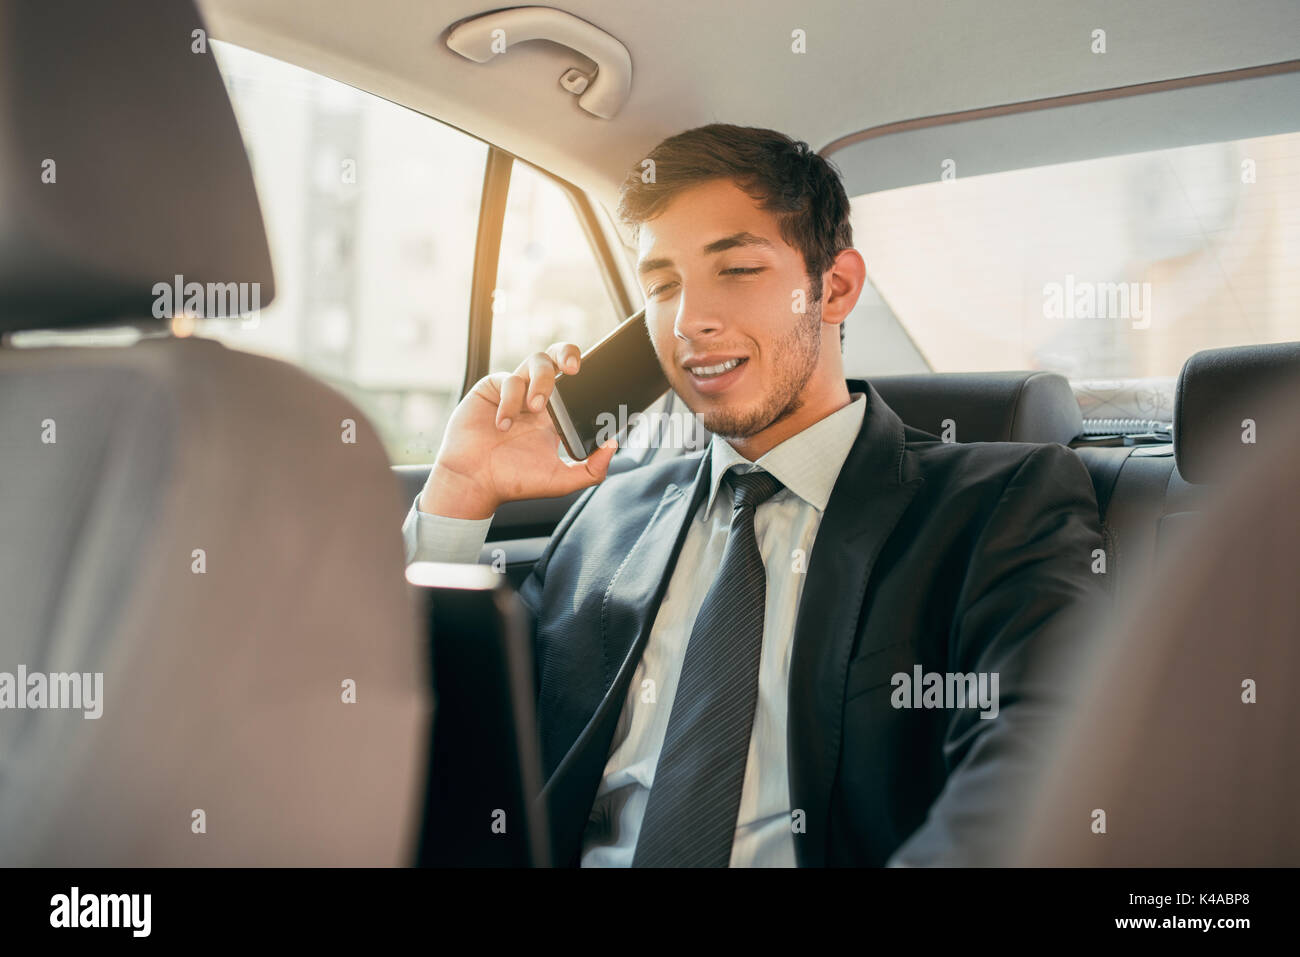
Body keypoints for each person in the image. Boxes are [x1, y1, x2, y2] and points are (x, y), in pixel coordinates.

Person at [404, 123, 1107, 867]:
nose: (689, 321)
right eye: (663, 284)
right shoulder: (608, 519)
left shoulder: (994, 507)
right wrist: (460, 495)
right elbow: (427, 745)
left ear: (834, 287)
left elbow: (1034, 777)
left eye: (736, 268)